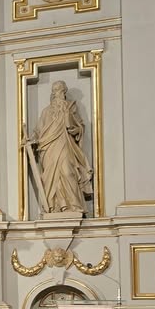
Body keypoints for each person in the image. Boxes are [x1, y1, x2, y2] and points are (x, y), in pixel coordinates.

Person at [31, 80, 92, 215]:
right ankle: (54, 207)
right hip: (48, 147)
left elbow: (79, 126)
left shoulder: (70, 108)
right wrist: (32, 139)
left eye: (57, 90)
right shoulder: (46, 111)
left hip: (64, 142)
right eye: (53, 90)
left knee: (67, 172)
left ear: (64, 91)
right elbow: (38, 130)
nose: (55, 93)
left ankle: (74, 205)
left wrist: (75, 129)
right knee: (50, 177)